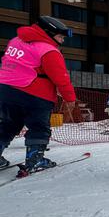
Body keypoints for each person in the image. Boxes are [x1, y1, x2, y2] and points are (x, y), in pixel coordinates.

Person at [0, 16, 76, 176]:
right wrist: (70, 98)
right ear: (48, 32)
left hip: (6, 90)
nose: (62, 41)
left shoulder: (15, 41)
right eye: (60, 37)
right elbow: (61, 77)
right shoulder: (48, 50)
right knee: (38, 127)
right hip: (35, 94)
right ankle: (35, 160)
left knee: (8, 124)